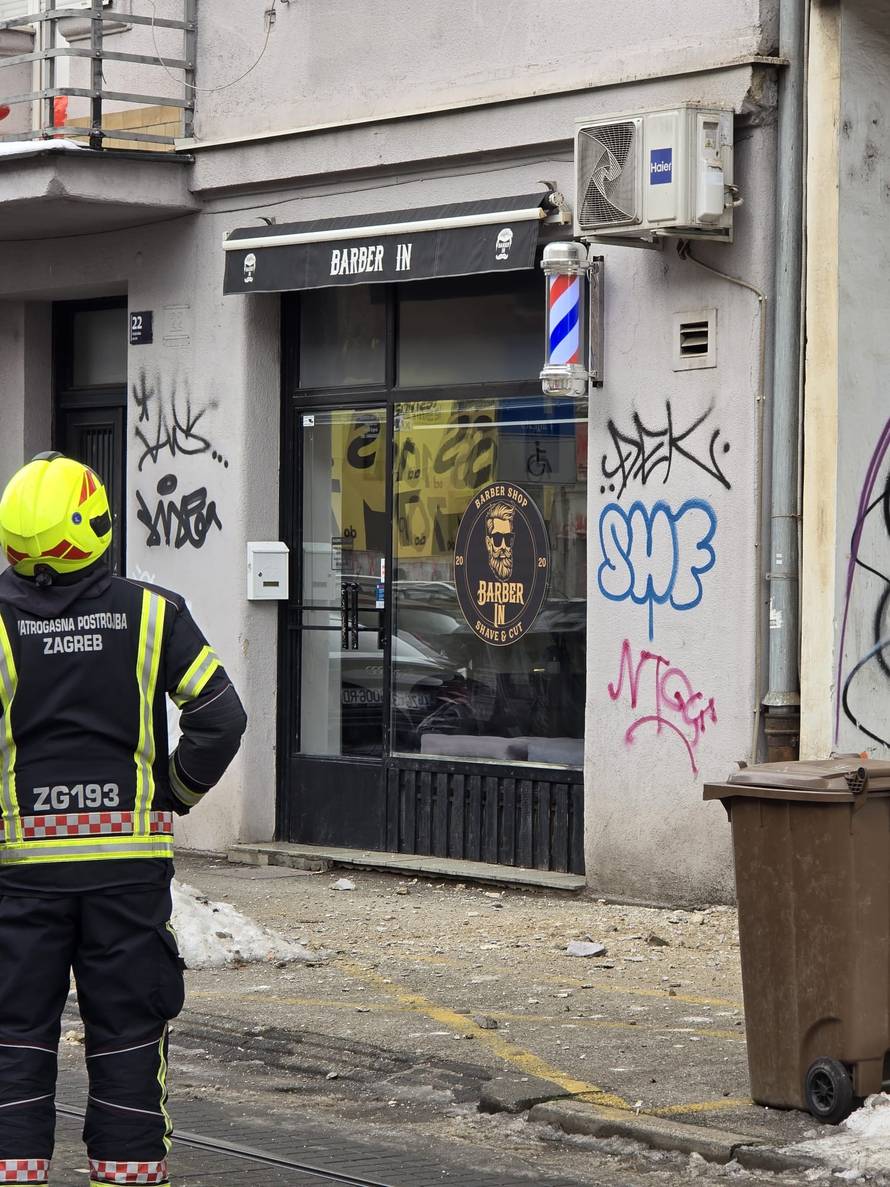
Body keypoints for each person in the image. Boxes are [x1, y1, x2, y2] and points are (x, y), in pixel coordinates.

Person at [0, 453, 247, 1187]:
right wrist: (174, 791)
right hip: (127, 878)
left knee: (14, 1036)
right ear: (97, 526)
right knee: (128, 1036)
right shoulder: (152, 612)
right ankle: (127, 1172)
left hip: (22, 878)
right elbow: (219, 717)